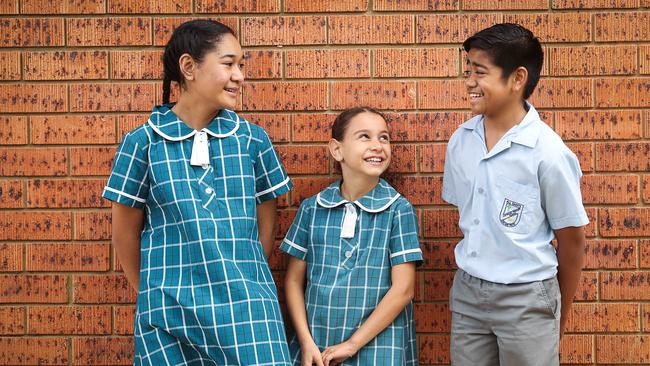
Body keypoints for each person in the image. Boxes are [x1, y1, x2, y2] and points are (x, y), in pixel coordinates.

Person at [102, 19, 292, 365]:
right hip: (168, 317)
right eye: (229, 63)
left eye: (241, 65)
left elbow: (267, 223)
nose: (240, 75)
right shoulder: (143, 143)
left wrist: (243, 278)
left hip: (247, 310)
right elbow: (124, 235)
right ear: (189, 67)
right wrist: (153, 295)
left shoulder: (252, 140)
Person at [442, 23, 589, 365]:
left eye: (480, 72)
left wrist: (557, 317)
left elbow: (572, 241)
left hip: (527, 299)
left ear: (518, 78)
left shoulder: (548, 153)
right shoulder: (460, 141)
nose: (469, 82)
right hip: (468, 295)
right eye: (468, 71)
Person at [281, 107, 423, 366]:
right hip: (318, 345)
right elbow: (292, 281)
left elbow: (403, 290)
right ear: (337, 150)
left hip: (379, 346)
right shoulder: (313, 208)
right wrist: (306, 341)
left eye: (384, 137)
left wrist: (352, 345)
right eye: (364, 136)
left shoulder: (397, 210)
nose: (377, 146)